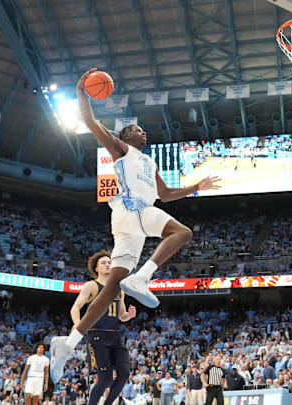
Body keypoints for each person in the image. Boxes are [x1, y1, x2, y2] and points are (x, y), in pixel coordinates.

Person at [49, 68, 222, 383]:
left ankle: (68, 342)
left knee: (113, 286)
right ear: (127, 137)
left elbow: (166, 194)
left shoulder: (149, 162)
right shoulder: (122, 150)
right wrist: (80, 92)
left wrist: (198, 186)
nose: (144, 133)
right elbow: (89, 122)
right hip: (134, 210)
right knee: (182, 232)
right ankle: (143, 278)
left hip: (132, 224)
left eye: (144, 130)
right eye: (138, 129)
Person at [68, 250, 137, 405]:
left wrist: (129, 315)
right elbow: (75, 307)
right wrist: (78, 324)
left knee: (124, 373)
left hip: (115, 336)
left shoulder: (119, 288)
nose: (107, 264)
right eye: (103, 263)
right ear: (96, 268)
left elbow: (121, 316)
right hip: (97, 336)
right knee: (105, 378)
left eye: (109, 262)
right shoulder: (91, 285)